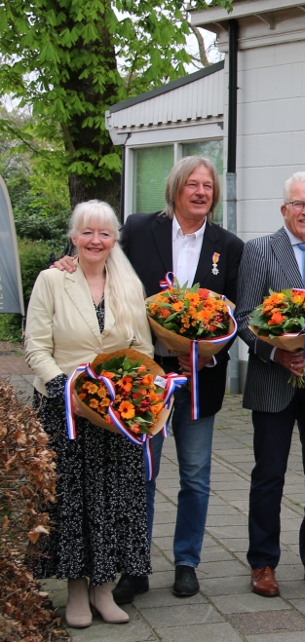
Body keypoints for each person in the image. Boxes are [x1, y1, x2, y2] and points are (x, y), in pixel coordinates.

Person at [51, 156, 244, 603]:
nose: (200, 192)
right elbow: (96, 255)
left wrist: (208, 355)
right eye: (192, 184)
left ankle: (186, 563)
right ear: (175, 188)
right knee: (141, 473)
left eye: (207, 186)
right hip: (142, 376)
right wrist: (66, 262)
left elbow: (233, 313)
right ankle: (134, 567)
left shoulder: (229, 245)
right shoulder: (139, 228)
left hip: (199, 380)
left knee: (195, 475)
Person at [26, 200, 155, 628]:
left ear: (114, 239)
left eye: (104, 233)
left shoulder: (129, 284)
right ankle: (77, 592)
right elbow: (36, 346)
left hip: (115, 415)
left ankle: (104, 589)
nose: (95, 240)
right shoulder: (52, 280)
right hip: (63, 412)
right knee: (71, 504)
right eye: (87, 232)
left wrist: (128, 393)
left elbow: (141, 348)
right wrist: (68, 391)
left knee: (114, 503)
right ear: (73, 237)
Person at [236, 171, 305, 597]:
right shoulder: (259, 250)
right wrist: (276, 353)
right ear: (284, 209)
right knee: (269, 475)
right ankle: (263, 563)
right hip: (273, 381)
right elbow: (244, 316)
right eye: (298, 203)